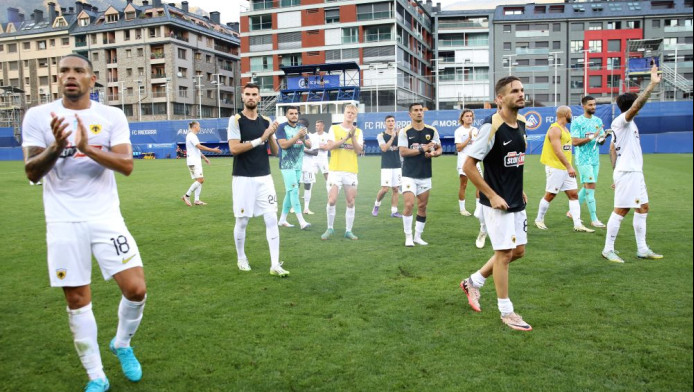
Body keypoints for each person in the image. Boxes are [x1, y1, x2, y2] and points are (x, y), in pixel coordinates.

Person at [22, 54, 146, 392]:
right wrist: (57, 147)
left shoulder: (110, 115)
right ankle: (96, 375)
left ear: (93, 79)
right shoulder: (37, 116)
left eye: (78, 71)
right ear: (57, 79)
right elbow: (31, 172)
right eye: (63, 71)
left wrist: (86, 149)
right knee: (77, 300)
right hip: (63, 221)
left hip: (106, 217)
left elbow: (127, 165)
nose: (70, 76)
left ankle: (122, 343)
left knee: (136, 289)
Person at [459, 76, 532, 331]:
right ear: (500, 99)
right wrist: (490, 195)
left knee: (518, 251)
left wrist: (519, 189)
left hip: (515, 198)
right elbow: (469, 166)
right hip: (496, 203)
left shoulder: (522, 122)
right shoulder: (490, 126)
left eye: (522, 90)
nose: (521, 94)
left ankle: (473, 282)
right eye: (515, 91)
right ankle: (507, 312)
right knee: (503, 255)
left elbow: (515, 161)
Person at [602, 64, 663, 263]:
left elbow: (612, 148)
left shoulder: (625, 124)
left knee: (643, 207)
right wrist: (652, 85)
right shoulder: (623, 120)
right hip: (628, 172)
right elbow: (637, 106)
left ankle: (642, 249)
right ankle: (608, 249)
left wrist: (614, 174)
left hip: (630, 172)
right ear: (632, 105)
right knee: (621, 210)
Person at [227, 83, 289, 276]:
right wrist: (261, 139)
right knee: (243, 221)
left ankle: (275, 265)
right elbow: (234, 149)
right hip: (243, 178)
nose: (251, 97)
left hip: (264, 177)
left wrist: (270, 135)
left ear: (260, 98)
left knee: (271, 217)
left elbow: (276, 151)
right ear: (242, 97)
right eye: (248, 94)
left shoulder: (266, 120)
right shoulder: (236, 120)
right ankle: (241, 258)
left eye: (255, 94)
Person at [534, 106, 595, 233]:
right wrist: (569, 166)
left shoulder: (565, 129)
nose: (572, 115)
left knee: (573, 195)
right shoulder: (555, 129)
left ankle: (577, 224)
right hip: (556, 167)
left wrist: (591, 138)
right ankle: (539, 219)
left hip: (565, 168)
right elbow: (557, 150)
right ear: (566, 114)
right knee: (550, 195)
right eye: (571, 113)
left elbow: (570, 145)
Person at [398, 103, 441, 246]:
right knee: (409, 204)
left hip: (425, 174)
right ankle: (408, 237)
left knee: (422, 206)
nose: (419, 113)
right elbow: (403, 152)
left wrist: (434, 153)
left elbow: (439, 148)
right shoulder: (405, 131)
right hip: (409, 174)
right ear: (410, 114)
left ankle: (418, 236)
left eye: (421, 110)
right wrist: (423, 150)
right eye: (415, 110)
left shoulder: (432, 130)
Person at [321, 104, 364, 240]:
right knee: (332, 200)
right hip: (335, 170)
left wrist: (353, 137)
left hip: (351, 171)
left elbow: (359, 151)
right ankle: (329, 228)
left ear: (355, 115)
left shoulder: (359, 132)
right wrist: (345, 138)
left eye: (352, 113)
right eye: (348, 112)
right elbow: (330, 146)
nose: (350, 114)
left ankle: (348, 231)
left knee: (350, 201)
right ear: (343, 113)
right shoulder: (334, 128)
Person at [569, 96, 608, 227]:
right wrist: (593, 136)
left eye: (594, 104)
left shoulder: (598, 120)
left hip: (595, 160)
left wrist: (603, 137)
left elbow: (601, 140)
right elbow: (574, 142)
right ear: (583, 106)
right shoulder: (577, 122)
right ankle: (594, 219)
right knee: (591, 187)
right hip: (583, 160)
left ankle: (571, 212)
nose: (593, 107)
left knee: (587, 187)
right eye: (590, 105)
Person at [276, 107, 312, 229]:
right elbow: (283, 145)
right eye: (291, 113)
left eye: (296, 113)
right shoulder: (282, 127)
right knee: (295, 190)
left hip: (298, 165)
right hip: (286, 165)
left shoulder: (302, 129)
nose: (294, 115)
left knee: (289, 192)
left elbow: (309, 145)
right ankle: (302, 221)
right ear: (286, 115)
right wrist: (298, 136)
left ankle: (282, 220)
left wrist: (302, 138)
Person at [181, 120, 221, 206]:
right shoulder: (192, 136)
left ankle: (197, 200)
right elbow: (199, 146)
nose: (200, 128)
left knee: (198, 180)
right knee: (201, 180)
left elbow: (197, 149)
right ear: (195, 127)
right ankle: (186, 195)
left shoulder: (191, 136)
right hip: (194, 162)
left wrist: (204, 158)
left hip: (193, 161)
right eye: (199, 126)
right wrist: (213, 150)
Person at [371, 115, 403, 218]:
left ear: (395, 123)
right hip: (386, 166)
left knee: (395, 189)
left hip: (397, 165)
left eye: (392, 121)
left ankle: (394, 211)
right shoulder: (381, 135)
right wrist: (393, 137)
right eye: (388, 121)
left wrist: (400, 134)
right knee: (385, 189)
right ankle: (376, 204)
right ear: (385, 123)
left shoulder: (400, 135)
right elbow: (384, 148)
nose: (391, 123)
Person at [454, 109, 478, 216]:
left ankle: (478, 209)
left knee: (480, 185)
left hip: (475, 161)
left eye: (471, 116)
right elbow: (459, 148)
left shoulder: (476, 130)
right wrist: (469, 137)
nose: (469, 118)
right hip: (463, 161)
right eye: (467, 116)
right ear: (462, 118)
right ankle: (462, 209)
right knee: (463, 185)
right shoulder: (459, 131)